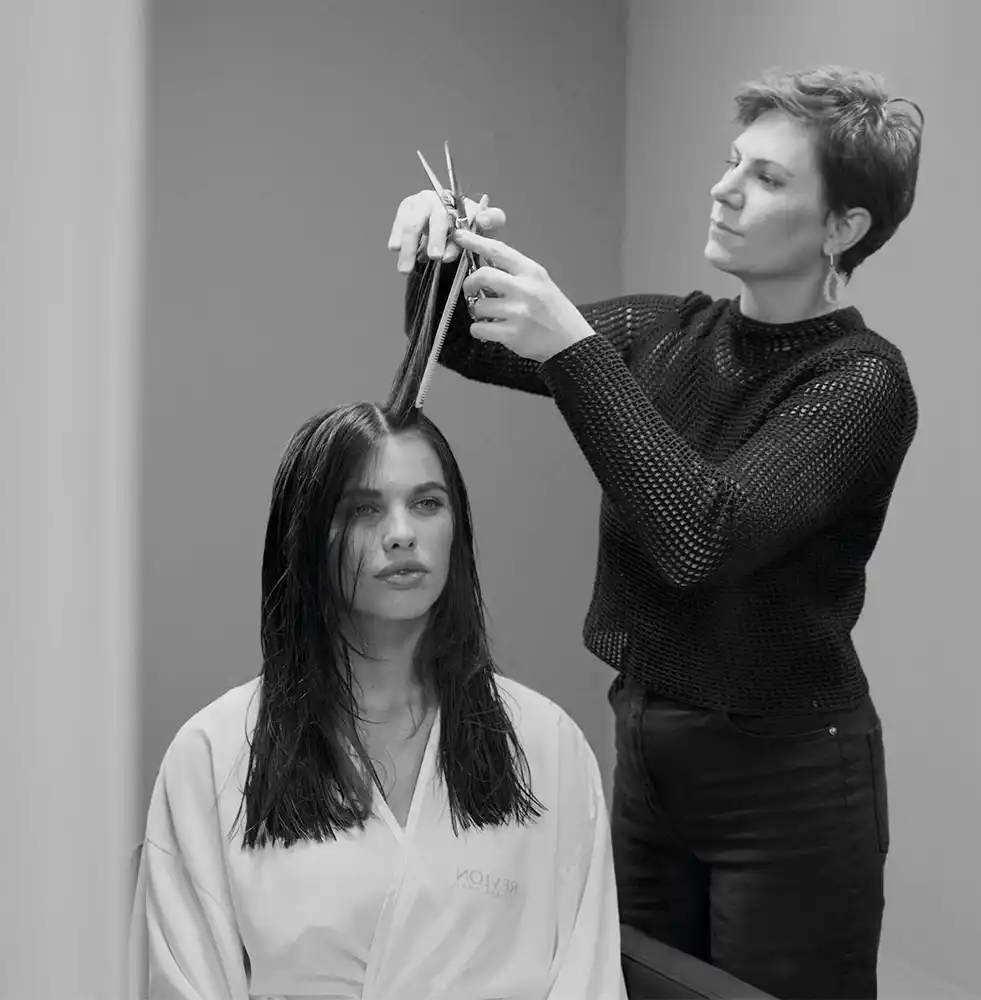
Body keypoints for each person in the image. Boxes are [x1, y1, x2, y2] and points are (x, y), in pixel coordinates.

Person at [387, 64, 924, 1000]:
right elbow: (465, 341)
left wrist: (575, 351)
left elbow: (701, 538)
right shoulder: (670, 332)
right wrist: (442, 244)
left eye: (768, 178)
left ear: (845, 228)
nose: (725, 187)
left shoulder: (860, 386)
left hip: (790, 782)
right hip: (650, 752)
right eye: (732, 163)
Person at [128, 400, 627, 999]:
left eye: (426, 503)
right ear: (308, 537)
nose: (401, 534)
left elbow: (588, 978)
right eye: (364, 509)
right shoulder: (215, 753)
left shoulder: (546, 745)